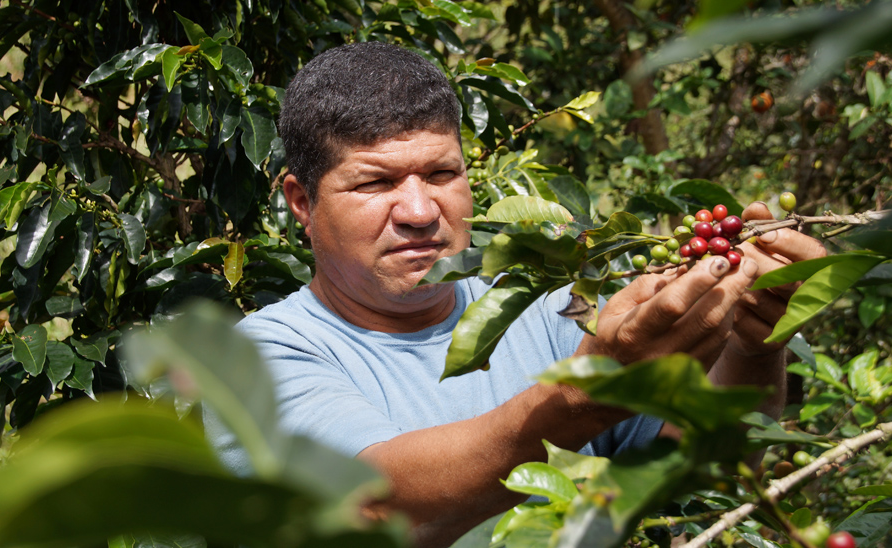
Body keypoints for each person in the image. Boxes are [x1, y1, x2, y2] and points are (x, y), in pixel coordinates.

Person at [209, 42, 826, 547]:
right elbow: (377, 507)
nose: (420, 211)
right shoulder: (257, 361)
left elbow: (697, 480)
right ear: (302, 202)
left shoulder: (549, 309)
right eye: (375, 183)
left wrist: (753, 345)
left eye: (442, 173)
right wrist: (590, 392)